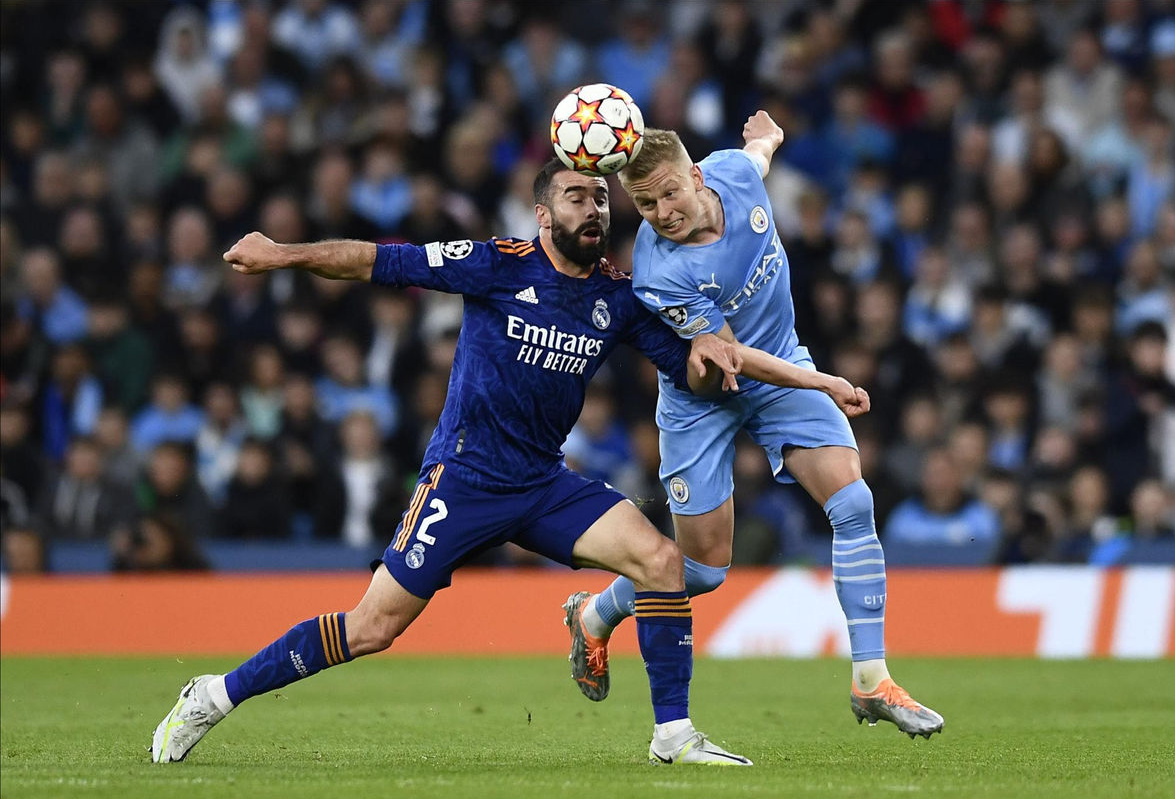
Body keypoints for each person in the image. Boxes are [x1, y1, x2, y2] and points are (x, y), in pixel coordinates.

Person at [150, 159, 757, 767]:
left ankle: (673, 737)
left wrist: (706, 343)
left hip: (543, 482)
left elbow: (691, 373)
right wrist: (281, 254)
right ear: (543, 214)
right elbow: (377, 261)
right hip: (463, 479)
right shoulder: (496, 262)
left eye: (601, 198)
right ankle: (212, 695)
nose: (594, 209)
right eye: (577, 197)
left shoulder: (617, 297)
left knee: (660, 562)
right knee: (371, 629)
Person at [564, 114, 944, 738]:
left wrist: (768, 135)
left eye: (669, 192)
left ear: (696, 176)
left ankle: (871, 678)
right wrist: (823, 381)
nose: (662, 211)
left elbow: (758, 153)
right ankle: (597, 613)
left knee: (852, 501)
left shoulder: (735, 174)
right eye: (645, 202)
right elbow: (731, 357)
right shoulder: (661, 272)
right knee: (705, 572)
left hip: (781, 371)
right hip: (704, 400)